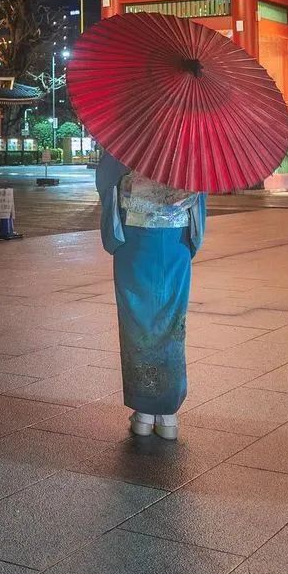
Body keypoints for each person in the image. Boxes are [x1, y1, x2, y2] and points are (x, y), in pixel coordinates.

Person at [96, 151, 206, 440]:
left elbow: (107, 181)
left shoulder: (127, 138)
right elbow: (199, 194)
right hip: (175, 239)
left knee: (137, 323)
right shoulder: (189, 142)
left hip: (135, 238)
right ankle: (168, 415)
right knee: (171, 321)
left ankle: (144, 413)